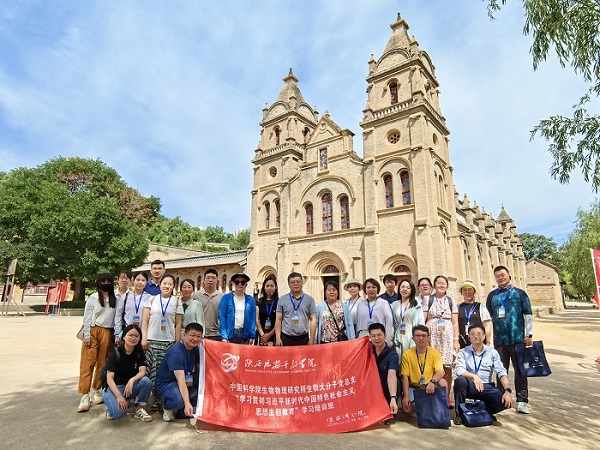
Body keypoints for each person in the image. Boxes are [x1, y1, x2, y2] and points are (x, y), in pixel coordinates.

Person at [486, 265, 533, 414]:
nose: (500, 278)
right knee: (501, 370)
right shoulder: (492, 296)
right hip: (500, 340)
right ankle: (501, 398)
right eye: (497, 276)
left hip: (517, 339)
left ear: (509, 275)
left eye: (503, 275)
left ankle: (522, 400)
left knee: (520, 371)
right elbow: (489, 316)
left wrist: (529, 334)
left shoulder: (520, 293)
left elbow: (528, 314)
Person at [453, 324, 514, 425]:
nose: (476, 336)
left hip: (486, 386)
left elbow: (501, 372)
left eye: (479, 333)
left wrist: (507, 391)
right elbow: (459, 370)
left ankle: (486, 411)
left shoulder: (492, 352)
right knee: (460, 381)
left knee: (505, 401)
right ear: (469, 337)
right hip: (470, 385)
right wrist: (473, 376)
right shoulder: (464, 352)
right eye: (472, 334)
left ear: (484, 336)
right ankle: (459, 414)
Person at [141, 273, 184, 410]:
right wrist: (144, 338)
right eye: (164, 283)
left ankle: (161, 397)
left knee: (163, 372)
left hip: (168, 342)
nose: (167, 286)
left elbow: (178, 324)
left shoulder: (176, 302)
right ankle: (154, 398)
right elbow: (145, 321)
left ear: (173, 287)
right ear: (160, 285)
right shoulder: (151, 300)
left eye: (170, 284)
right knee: (151, 371)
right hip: (151, 341)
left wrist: (177, 342)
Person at [77, 273, 117, 412]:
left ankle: (96, 389)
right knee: (87, 363)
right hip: (93, 330)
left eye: (108, 281)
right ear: (98, 283)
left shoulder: (115, 299)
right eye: (103, 281)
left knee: (102, 363)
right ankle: (84, 394)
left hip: (107, 331)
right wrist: (87, 335)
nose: (105, 283)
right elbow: (87, 317)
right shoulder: (93, 297)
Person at [102, 324, 153, 422]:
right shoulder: (115, 353)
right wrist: (119, 396)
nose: (133, 338)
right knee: (118, 413)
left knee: (146, 381)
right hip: (113, 388)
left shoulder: (139, 353)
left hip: (128, 388)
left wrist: (132, 380)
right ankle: (112, 407)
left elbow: (142, 371)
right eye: (130, 335)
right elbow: (109, 378)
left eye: (136, 336)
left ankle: (140, 409)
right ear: (124, 336)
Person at [422, 275, 459, 408]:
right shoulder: (428, 299)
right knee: (432, 366)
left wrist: (456, 340)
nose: (441, 285)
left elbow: (455, 322)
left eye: (444, 283)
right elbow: (423, 319)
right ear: (434, 285)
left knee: (447, 367)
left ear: (447, 286)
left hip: (447, 337)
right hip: (432, 336)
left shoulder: (451, 301)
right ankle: (433, 396)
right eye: (439, 283)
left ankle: (446, 397)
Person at [155, 322, 203, 422]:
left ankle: (183, 410)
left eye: (199, 336)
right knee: (178, 401)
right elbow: (181, 381)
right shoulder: (176, 353)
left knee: (203, 379)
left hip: (186, 379)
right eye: (192, 335)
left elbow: (200, 369)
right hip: (167, 384)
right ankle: (166, 406)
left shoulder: (195, 349)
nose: (195, 339)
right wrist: (187, 403)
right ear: (184, 335)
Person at [400, 325, 447, 415]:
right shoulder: (407, 354)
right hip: (414, 387)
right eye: (418, 336)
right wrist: (406, 396)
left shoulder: (435, 353)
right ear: (413, 338)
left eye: (424, 336)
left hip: (430, 386)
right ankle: (424, 406)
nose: (421, 338)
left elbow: (440, 372)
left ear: (428, 338)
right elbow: (405, 376)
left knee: (443, 382)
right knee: (407, 409)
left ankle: (441, 407)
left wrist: (432, 382)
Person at [274, 272, 317, 346]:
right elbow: (278, 319)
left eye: (298, 282)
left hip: (303, 338)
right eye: (293, 282)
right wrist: (278, 338)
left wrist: (312, 338)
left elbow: (313, 319)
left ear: (302, 283)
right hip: (286, 337)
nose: (296, 284)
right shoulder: (282, 300)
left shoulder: (309, 300)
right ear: (289, 284)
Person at [369, 322, 399, 424]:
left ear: (385, 335)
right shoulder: (368, 351)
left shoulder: (392, 355)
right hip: (372, 386)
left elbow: (391, 375)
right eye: (373, 336)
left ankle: (390, 407)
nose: (376, 338)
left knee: (396, 382)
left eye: (379, 335)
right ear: (370, 337)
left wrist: (393, 398)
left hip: (386, 387)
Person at [391, 279, 424, 362]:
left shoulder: (416, 305)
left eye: (408, 288)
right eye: (402, 287)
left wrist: (419, 337)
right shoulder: (394, 305)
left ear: (412, 290)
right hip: (398, 335)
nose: (405, 289)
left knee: (411, 360)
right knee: (398, 360)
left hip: (411, 335)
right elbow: (391, 323)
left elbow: (420, 323)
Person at [219, 273, 257, 344]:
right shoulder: (226, 298)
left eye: (242, 282)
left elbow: (252, 318)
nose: (240, 284)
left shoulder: (250, 299)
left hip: (245, 334)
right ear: (233, 283)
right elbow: (222, 317)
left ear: (246, 284)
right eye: (237, 282)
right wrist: (224, 336)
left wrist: (252, 335)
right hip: (230, 334)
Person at [115, 271, 150, 346]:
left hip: (142, 333)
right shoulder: (125, 296)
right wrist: (117, 334)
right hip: (127, 333)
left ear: (146, 282)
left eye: (143, 280)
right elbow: (118, 315)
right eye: (138, 280)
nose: (140, 282)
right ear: (133, 281)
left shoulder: (149, 297)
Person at [354, 278, 393, 344]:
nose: (371, 289)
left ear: (377, 289)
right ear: (365, 289)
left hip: (378, 337)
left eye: (374, 287)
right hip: (363, 337)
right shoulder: (360, 304)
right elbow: (357, 323)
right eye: (368, 287)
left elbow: (389, 322)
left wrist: (387, 341)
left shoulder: (383, 303)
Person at [457, 280, 492, 348]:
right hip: (463, 344)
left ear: (474, 292)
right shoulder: (458, 308)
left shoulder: (481, 307)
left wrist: (488, 342)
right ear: (461, 292)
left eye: (470, 290)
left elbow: (486, 325)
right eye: (465, 290)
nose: (467, 292)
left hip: (479, 344)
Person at [193, 268, 223, 341]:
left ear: (217, 281)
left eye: (213, 278)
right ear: (204, 280)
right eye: (208, 278)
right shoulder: (196, 295)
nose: (210, 280)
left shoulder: (222, 297)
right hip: (199, 333)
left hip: (217, 334)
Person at [255, 275, 279, 346]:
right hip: (261, 334)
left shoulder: (279, 302)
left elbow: (279, 321)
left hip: (274, 334)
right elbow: (257, 320)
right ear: (264, 287)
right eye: (267, 286)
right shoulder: (259, 302)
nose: (269, 288)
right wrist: (263, 336)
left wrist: (269, 334)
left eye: (272, 286)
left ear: (275, 287)